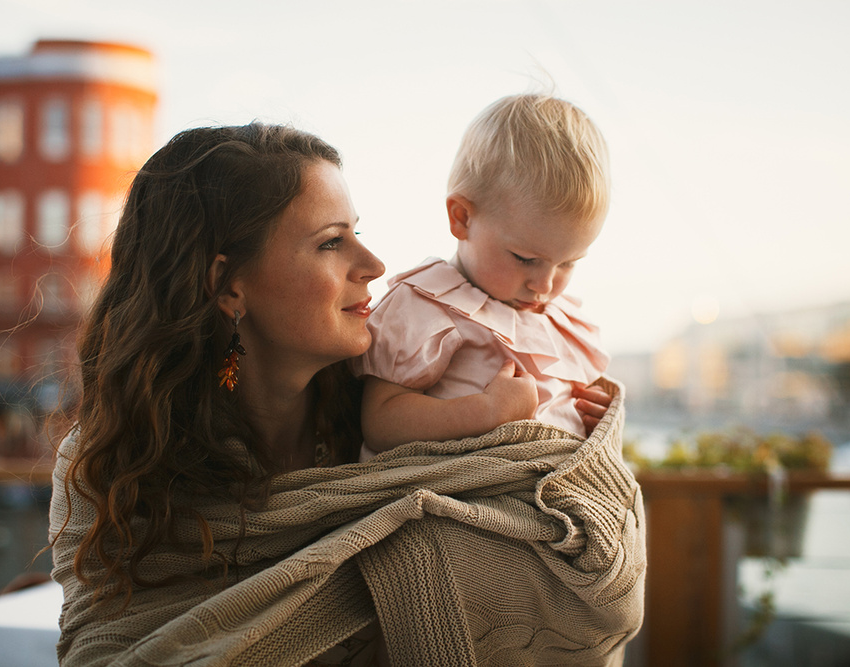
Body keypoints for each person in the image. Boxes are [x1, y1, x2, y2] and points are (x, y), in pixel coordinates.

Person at [49, 121, 645, 667]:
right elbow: (108, 649)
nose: (375, 264)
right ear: (228, 285)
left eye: (359, 233)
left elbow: (591, 577)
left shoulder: (404, 410)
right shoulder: (112, 469)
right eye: (333, 242)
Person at [354, 93, 614, 456]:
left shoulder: (559, 321)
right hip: (457, 496)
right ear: (462, 218)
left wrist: (591, 421)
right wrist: (487, 412)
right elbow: (381, 423)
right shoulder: (426, 304)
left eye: (569, 263)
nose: (545, 286)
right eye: (525, 258)